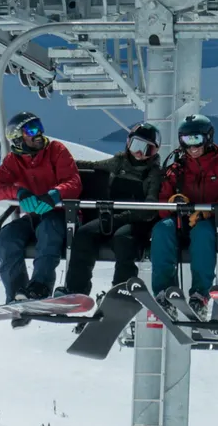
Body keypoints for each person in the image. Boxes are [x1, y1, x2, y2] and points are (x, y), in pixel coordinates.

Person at [0, 111, 81, 303]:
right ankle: (17, 292)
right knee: (5, 238)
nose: (39, 134)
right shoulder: (13, 161)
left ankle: (39, 288)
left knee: (47, 230)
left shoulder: (56, 150)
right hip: (34, 216)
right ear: (18, 138)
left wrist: (55, 194)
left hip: (62, 215)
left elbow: (74, 182)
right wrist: (17, 192)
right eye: (31, 129)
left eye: (39, 127)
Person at [58, 122, 163, 296]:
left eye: (147, 150)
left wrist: (124, 217)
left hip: (137, 221)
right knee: (84, 235)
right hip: (111, 218)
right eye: (137, 146)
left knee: (123, 239)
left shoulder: (153, 173)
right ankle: (76, 289)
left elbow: (150, 207)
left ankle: (121, 290)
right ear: (128, 143)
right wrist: (63, 163)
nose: (139, 153)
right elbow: (92, 166)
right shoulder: (119, 162)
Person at [150, 114, 218, 319]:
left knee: (202, 232)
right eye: (186, 141)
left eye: (196, 139)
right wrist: (174, 202)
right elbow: (162, 205)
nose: (192, 147)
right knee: (162, 229)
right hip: (181, 223)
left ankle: (199, 296)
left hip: (211, 226)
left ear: (208, 138)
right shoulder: (177, 168)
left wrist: (207, 212)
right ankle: (165, 293)